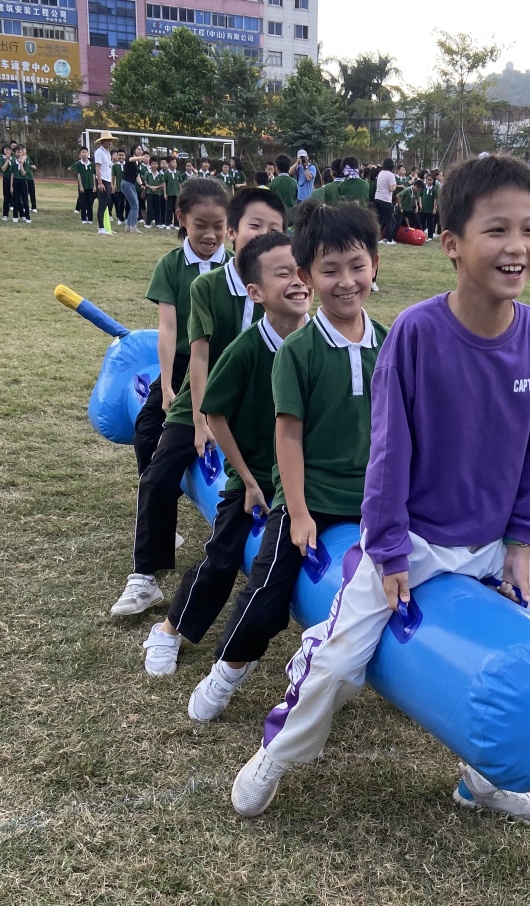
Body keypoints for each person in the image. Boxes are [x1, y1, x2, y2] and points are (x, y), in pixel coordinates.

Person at [231, 153, 530, 825]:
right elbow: (388, 454)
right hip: (410, 540)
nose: (517, 246)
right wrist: (386, 551)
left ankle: (486, 781)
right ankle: (277, 753)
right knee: (336, 666)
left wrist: (521, 545)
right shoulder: (415, 333)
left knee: (519, 662)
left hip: (492, 545)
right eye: (497, 230)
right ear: (452, 244)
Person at [185, 199, 387, 721]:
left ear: (375, 265)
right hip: (311, 496)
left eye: (357, 266)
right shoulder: (298, 351)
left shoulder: (390, 345)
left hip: (373, 500)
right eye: (330, 270)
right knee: (269, 592)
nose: (346, 281)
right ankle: (227, 670)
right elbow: (288, 437)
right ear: (306, 276)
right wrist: (296, 512)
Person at [141, 232, 311, 677]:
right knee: (224, 554)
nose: (297, 281)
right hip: (256, 473)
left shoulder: (320, 342)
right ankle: (169, 628)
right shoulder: (247, 349)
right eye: (283, 274)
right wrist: (249, 481)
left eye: (301, 271)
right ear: (255, 292)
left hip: (307, 477)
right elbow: (214, 413)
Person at [111, 188, 287, 617]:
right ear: (234, 231)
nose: (264, 235)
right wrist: (202, 419)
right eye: (255, 226)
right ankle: (144, 576)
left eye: (275, 229)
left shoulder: (286, 285)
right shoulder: (207, 285)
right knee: (158, 474)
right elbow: (200, 356)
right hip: (202, 398)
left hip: (261, 405)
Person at [133, 179, 231, 475]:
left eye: (219, 226)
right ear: (182, 219)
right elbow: (168, 328)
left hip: (224, 365)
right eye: (201, 225)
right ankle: (153, 487)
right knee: (147, 429)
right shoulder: (170, 265)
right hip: (181, 367)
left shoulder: (238, 268)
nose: (211, 235)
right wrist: (166, 386)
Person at [94, 130, 114, 236]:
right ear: (102, 141)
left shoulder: (107, 153)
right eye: (107, 140)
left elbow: (108, 167)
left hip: (108, 180)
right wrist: (100, 182)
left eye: (110, 140)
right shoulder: (99, 152)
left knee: (107, 203)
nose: (110, 142)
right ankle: (101, 227)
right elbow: (98, 167)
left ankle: (105, 226)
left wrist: (110, 183)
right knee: (102, 203)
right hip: (102, 180)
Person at [121, 144, 145, 234]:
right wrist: (141, 157)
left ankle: (128, 226)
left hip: (132, 185)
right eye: (138, 149)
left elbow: (137, 175)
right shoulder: (130, 158)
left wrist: (141, 184)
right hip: (126, 184)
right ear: (134, 150)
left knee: (134, 205)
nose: (140, 151)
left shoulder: (138, 162)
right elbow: (131, 159)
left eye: (141, 150)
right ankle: (133, 227)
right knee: (135, 206)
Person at [69, 147, 96, 225]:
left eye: (85, 152)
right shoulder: (79, 164)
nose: (84, 154)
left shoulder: (91, 164)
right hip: (83, 187)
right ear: (80, 154)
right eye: (82, 152)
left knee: (90, 202)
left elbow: (93, 175)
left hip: (90, 186)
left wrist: (94, 185)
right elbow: (79, 175)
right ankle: (83, 218)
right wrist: (81, 186)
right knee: (83, 202)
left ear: (88, 153)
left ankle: (90, 218)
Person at [374, 158, 397, 244]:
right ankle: (389, 239)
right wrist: (395, 186)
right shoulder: (391, 175)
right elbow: (391, 188)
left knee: (379, 219)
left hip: (377, 197)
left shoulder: (380, 173)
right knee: (388, 220)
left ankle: (378, 238)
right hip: (386, 199)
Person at [10, 145, 31, 223]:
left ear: (23, 153)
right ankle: (15, 216)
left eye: (20, 152)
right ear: (15, 153)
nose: (19, 154)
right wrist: (11, 186)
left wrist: (21, 164)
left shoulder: (25, 163)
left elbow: (23, 173)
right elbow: (12, 174)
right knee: (16, 199)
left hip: (23, 181)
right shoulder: (14, 162)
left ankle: (27, 217)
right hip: (16, 181)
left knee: (25, 200)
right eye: (17, 152)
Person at [144, 159, 165, 229]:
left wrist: (157, 187)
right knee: (149, 208)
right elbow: (144, 183)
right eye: (153, 164)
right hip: (149, 193)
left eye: (155, 164)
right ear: (150, 165)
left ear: (157, 165)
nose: (154, 165)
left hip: (157, 193)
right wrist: (151, 187)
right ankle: (148, 223)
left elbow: (162, 184)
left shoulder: (159, 174)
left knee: (157, 208)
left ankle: (158, 223)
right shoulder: (147, 173)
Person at [163, 157, 182, 230]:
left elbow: (180, 183)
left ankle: (176, 224)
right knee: (168, 209)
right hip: (169, 194)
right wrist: (165, 193)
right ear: (169, 164)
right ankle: (168, 223)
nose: (175, 164)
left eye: (175, 162)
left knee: (176, 210)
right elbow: (164, 183)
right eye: (173, 162)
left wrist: (181, 193)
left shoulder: (178, 173)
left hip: (176, 194)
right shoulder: (166, 173)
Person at [420, 173, 439, 240]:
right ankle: (421, 233)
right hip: (423, 208)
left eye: (430, 180)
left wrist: (434, 208)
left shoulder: (434, 189)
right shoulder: (423, 188)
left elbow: (435, 199)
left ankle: (430, 236)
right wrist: (420, 204)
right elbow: (420, 196)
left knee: (430, 222)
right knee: (421, 221)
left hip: (430, 209)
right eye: (428, 180)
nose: (429, 181)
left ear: (433, 181)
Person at [112, 149, 126, 226]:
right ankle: (120, 218)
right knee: (120, 203)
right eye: (119, 155)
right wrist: (113, 186)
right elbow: (113, 177)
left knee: (128, 204)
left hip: (127, 188)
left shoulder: (127, 165)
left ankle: (127, 218)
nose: (121, 157)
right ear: (117, 156)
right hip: (119, 188)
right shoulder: (115, 166)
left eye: (122, 155)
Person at [1, 143, 13, 220]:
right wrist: (7, 160)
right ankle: (5, 214)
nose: (8, 151)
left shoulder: (13, 158)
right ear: (3, 150)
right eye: (6, 150)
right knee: (6, 197)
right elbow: (3, 169)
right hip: (7, 178)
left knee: (17, 197)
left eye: (9, 150)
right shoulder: (1, 158)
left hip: (14, 179)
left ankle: (20, 215)